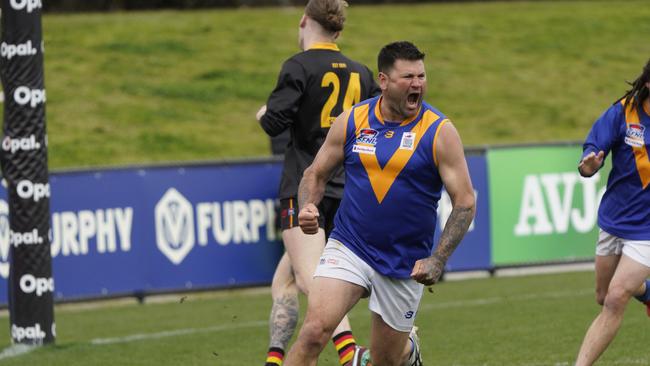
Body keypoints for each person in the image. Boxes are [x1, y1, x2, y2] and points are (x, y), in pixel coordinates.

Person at [283, 41, 476, 366]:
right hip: (350, 245)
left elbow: (465, 202)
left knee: (385, 360)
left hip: (404, 261)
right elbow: (315, 174)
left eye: (421, 76)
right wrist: (307, 206)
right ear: (384, 81)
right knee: (314, 331)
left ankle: (408, 351)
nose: (417, 84)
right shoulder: (354, 120)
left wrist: (438, 259)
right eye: (408, 77)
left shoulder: (439, 131)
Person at [256, 1, 381, 365]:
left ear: (303, 21)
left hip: (305, 188)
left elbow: (273, 124)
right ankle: (275, 360)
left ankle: (350, 353)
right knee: (286, 281)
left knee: (313, 279)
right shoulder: (361, 72)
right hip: (346, 188)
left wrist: (268, 113)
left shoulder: (297, 66)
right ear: (338, 31)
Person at [574, 59, 650, 366]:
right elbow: (593, 148)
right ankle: (647, 292)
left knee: (617, 296)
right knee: (603, 295)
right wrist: (588, 164)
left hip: (647, 229)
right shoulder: (624, 111)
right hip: (615, 220)